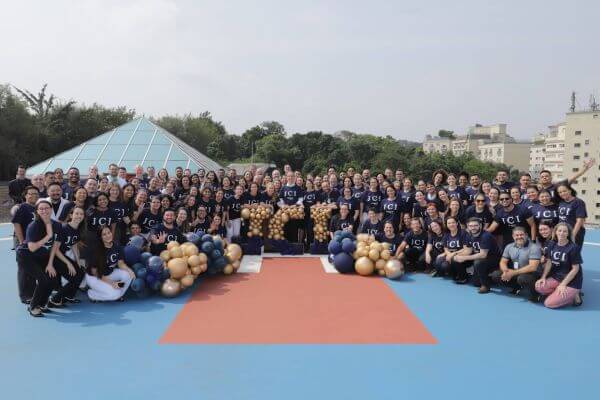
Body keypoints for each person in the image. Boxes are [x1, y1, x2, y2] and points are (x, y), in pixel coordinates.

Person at [15, 201, 62, 317]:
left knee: (52, 278)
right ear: (37, 211)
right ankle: (32, 306)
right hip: (26, 256)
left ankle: (41, 303)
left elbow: (55, 245)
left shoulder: (57, 225)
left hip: (41, 256)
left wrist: (50, 264)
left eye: (47, 208)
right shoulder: (34, 225)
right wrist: (48, 236)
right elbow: (32, 248)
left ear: (51, 210)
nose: (44, 211)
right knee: (43, 280)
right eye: (41, 209)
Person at [535, 222, 584, 308]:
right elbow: (549, 261)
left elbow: (575, 269)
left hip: (572, 281)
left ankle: (575, 294)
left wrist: (563, 284)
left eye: (564, 231)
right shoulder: (552, 244)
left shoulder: (573, 248)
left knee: (548, 303)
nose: (561, 233)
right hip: (557, 277)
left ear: (568, 233)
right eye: (559, 230)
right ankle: (560, 292)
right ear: (555, 232)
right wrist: (543, 277)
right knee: (539, 286)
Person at [47, 206, 86, 306]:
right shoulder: (63, 228)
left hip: (61, 256)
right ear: (71, 215)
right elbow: (55, 250)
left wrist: (77, 261)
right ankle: (54, 299)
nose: (79, 216)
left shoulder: (77, 229)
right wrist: (69, 263)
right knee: (75, 277)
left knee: (81, 272)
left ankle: (69, 296)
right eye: (76, 213)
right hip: (54, 257)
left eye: (81, 214)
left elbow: (73, 244)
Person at [490, 227, 542, 302]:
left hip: (533, 274)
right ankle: (516, 287)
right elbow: (503, 262)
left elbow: (533, 267)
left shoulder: (534, 247)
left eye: (521, 235)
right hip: (517, 272)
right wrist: (505, 271)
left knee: (522, 278)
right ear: (513, 236)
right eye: (516, 235)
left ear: (526, 235)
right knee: (496, 275)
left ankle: (536, 294)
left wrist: (512, 273)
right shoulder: (509, 246)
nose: (519, 237)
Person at [85, 226, 134, 302]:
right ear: (100, 237)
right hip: (95, 277)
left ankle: (119, 295)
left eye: (109, 232)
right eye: (104, 234)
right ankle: (92, 294)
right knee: (114, 294)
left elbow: (121, 263)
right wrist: (112, 283)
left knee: (128, 275)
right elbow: (96, 272)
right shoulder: (97, 250)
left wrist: (130, 271)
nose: (108, 235)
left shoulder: (117, 246)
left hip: (109, 273)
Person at [453, 217, 501, 293]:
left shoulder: (485, 236)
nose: (473, 228)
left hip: (493, 259)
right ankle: (464, 277)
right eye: (471, 226)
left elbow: (483, 255)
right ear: (468, 227)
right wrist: (457, 255)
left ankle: (486, 286)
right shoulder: (469, 235)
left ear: (480, 226)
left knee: (478, 262)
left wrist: (464, 258)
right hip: (480, 259)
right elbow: (468, 251)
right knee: (476, 283)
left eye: (475, 225)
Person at [12, 186, 40, 303]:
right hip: (24, 242)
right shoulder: (23, 207)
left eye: (36, 193)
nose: (34, 195)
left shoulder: (37, 208)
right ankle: (25, 295)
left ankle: (33, 292)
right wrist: (22, 241)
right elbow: (17, 224)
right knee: (23, 269)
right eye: (31, 193)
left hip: (34, 243)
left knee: (32, 268)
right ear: (25, 195)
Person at [434, 216, 467, 280]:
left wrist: (453, 254)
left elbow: (466, 249)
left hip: (461, 254)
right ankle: (452, 273)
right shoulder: (446, 234)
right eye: (449, 223)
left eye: (453, 222)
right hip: (450, 254)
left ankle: (462, 275)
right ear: (446, 225)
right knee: (438, 261)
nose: (451, 225)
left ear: (457, 223)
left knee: (446, 264)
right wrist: (448, 254)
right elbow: (445, 248)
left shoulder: (463, 233)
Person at [556, 182, 587, 247]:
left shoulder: (578, 202)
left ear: (570, 190)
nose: (562, 193)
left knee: (573, 255)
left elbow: (580, 221)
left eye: (564, 191)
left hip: (574, 234)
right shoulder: (561, 202)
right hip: (562, 233)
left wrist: (572, 236)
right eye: (560, 192)